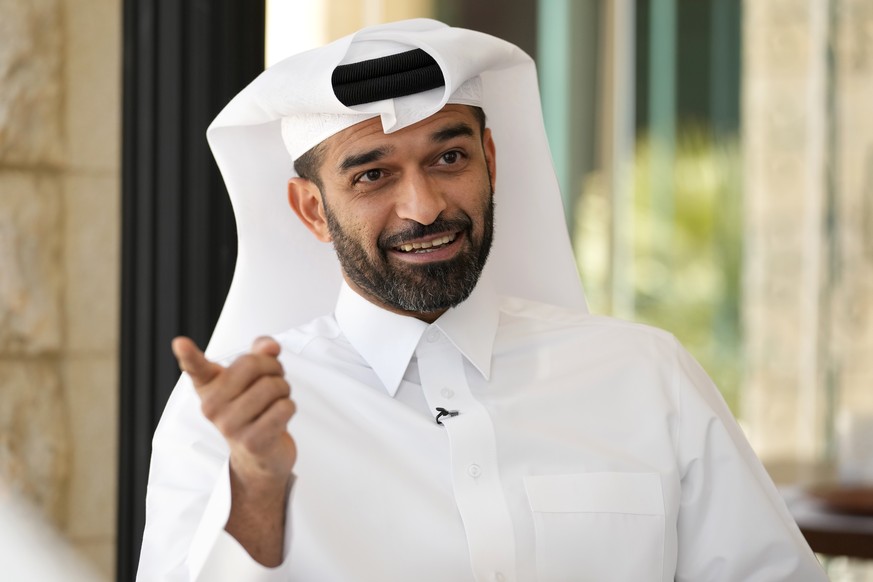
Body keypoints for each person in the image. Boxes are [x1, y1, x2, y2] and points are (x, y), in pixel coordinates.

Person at [137, 19, 827, 582]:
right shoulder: (231, 423)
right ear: (312, 210)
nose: (424, 206)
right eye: (373, 174)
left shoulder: (646, 375)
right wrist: (257, 484)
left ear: (490, 161)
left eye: (448, 158)